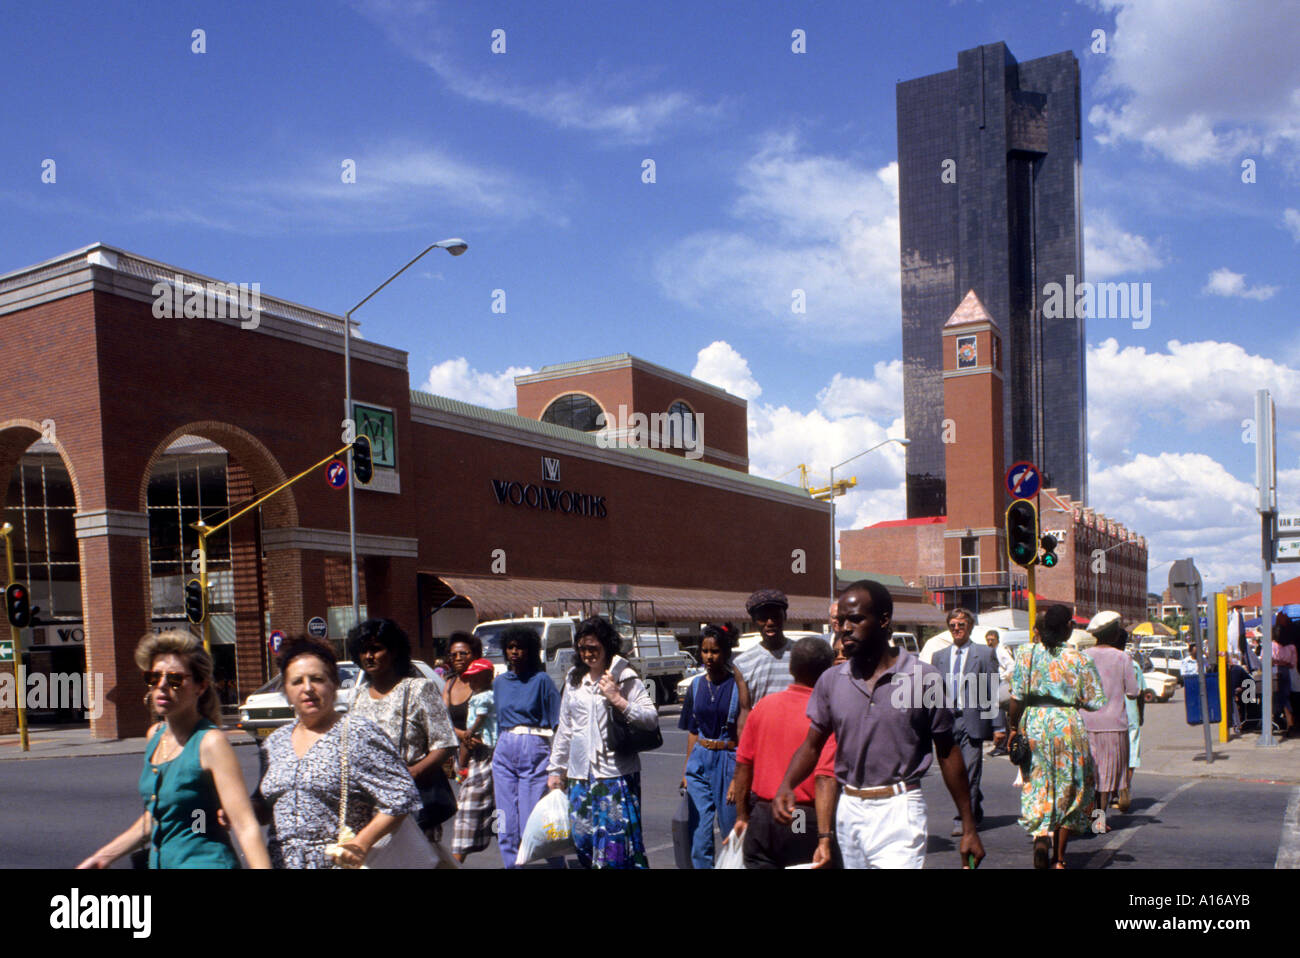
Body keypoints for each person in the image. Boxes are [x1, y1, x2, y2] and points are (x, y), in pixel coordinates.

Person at [775, 580, 985, 869]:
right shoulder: (832, 681)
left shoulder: (922, 678)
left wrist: (969, 827)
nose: (845, 628)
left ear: (884, 620)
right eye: (841, 620)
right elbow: (812, 745)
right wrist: (787, 784)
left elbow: (947, 751)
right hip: (849, 810)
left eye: (856, 619)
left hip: (900, 810)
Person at [78, 631, 270, 869]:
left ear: (200, 687)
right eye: (153, 677)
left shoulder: (210, 742)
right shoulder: (155, 736)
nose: (162, 686)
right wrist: (103, 857)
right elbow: (159, 816)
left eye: (175, 679)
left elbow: (245, 825)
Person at [255, 637, 421, 868]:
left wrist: (361, 843)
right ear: (285, 690)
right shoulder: (274, 742)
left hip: (337, 862)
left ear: (333, 683)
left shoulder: (357, 733)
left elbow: (403, 796)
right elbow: (264, 806)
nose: (308, 688)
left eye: (317, 679)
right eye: (296, 682)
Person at [547, 616, 657, 869]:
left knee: (616, 847)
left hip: (615, 774)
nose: (588, 654)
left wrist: (617, 699)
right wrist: (555, 769)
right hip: (580, 775)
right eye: (582, 648)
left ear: (606, 645)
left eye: (593, 648)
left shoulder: (625, 675)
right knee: (583, 839)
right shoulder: (575, 678)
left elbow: (650, 718)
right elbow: (566, 727)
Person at [1008, 605, 1106, 868]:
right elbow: (1095, 701)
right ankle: (1059, 860)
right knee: (1068, 788)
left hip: (1035, 723)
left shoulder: (1026, 654)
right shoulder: (1079, 659)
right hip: (1067, 725)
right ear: (1069, 628)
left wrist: (1013, 728)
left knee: (1038, 784)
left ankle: (1040, 836)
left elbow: (1016, 698)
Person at [732, 637, 839, 868]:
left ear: (791, 668)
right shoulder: (826, 715)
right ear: (827, 671)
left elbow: (743, 765)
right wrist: (825, 836)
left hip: (763, 815)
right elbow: (825, 776)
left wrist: (741, 816)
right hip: (800, 816)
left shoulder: (763, 707)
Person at [346, 618, 458, 839]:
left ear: (394, 651)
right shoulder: (356, 696)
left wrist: (412, 772)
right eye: (363, 650)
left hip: (411, 802)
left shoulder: (417, 689)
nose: (368, 656)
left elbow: (445, 743)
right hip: (368, 805)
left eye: (376, 649)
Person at [678, 624, 750, 868]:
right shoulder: (696, 686)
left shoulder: (737, 686)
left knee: (731, 830)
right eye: (705, 651)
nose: (709, 657)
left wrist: (736, 779)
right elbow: (692, 729)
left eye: (715, 651)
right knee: (699, 833)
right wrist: (687, 769)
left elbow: (744, 735)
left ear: (726, 652)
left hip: (729, 760)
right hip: (700, 759)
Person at [493, 627, 562, 868]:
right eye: (511, 647)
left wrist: (559, 766)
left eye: (520, 647)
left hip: (534, 748)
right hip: (503, 749)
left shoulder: (541, 680)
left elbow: (559, 723)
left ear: (531, 651)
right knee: (504, 821)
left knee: (532, 821)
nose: (515, 652)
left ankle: (557, 862)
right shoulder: (499, 682)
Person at [932, 608, 998, 835]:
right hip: (947, 723)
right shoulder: (939, 657)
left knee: (970, 771)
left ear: (969, 627)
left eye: (961, 625)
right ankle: (973, 803)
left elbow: (992, 691)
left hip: (973, 721)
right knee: (954, 775)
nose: (956, 629)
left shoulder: (984, 653)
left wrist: (998, 726)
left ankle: (963, 819)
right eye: (952, 625)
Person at [1082, 611, 1139, 830]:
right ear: (1114, 634)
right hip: (1114, 724)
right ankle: (1098, 819)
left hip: (1085, 722)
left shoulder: (1083, 656)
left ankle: (1085, 816)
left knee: (1088, 773)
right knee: (1105, 777)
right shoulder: (1123, 658)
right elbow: (1132, 692)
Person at [444, 632, 496, 862]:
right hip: (460, 755)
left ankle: (456, 861)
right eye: (453, 654)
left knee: (467, 810)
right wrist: (462, 734)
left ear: (474, 655)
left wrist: (473, 735)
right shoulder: (449, 684)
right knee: (486, 812)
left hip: (485, 755)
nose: (457, 658)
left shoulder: (483, 684)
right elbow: (442, 722)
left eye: (463, 653)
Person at [733, 589, 796, 723]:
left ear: (785, 617)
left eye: (775, 616)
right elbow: (745, 711)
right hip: (762, 737)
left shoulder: (802, 654)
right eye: (763, 617)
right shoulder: (742, 663)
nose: (770, 622)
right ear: (754, 621)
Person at [459, 658, 498, 775]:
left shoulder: (483, 697)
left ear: (487, 679)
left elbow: (481, 717)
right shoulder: (489, 694)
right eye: (470, 681)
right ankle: (464, 768)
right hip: (483, 732)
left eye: (476, 681)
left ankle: (462, 768)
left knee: (467, 744)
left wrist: (471, 730)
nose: (472, 684)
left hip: (481, 732)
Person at [987, 629, 1014, 756]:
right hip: (996, 683)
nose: (990, 642)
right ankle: (1001, 745)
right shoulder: (992, 651)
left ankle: (1002, 745)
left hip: (1001, 684)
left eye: (992, 639)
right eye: (988, 639)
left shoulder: (1000, 650)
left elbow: (1011, 665)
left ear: (997, 639)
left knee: (1000, 715)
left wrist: (1005, 676)